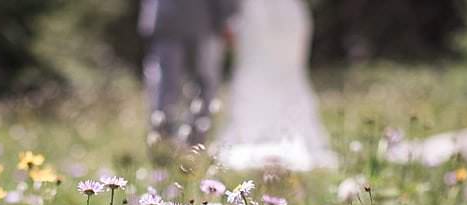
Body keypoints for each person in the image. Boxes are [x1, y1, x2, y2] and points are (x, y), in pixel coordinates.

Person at [211, 0, 338, 171]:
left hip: (286, 16)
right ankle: (258, 130)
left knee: (286, 70)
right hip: (258, 16)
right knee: (256, 67)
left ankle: (283, 130)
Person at [140, 0, 236, 155]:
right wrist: (227, 17)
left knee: (168, 86)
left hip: (177, 20)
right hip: (198, 21)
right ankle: (186, 149)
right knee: (198, 85)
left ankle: (167, 149)